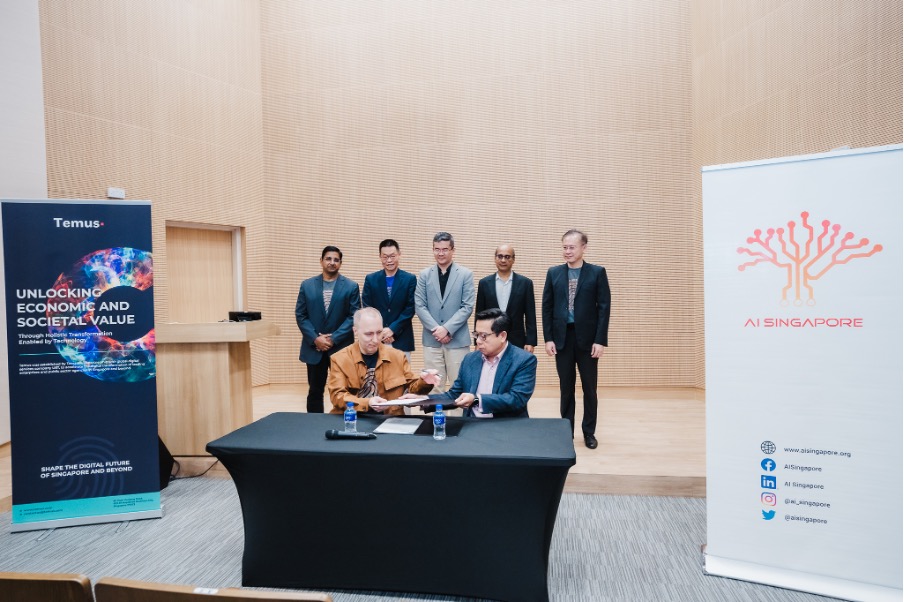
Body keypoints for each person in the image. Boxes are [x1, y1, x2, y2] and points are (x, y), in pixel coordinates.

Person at [542, 229, 611, 449]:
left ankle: (589, 432)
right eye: (564, 247)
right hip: (562, 339)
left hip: (588, 340)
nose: (567, 251)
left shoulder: (597, 273)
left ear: (584, 248)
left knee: (589, 388)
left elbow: (604, 308)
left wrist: (600, 340)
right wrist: (548, 338)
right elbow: (547, 307)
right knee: (566, 388)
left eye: (572, 247)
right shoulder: (554, 273)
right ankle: (566, 431)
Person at [422, 308, 537, 418]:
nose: (478, 341)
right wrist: (422, 400)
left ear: (502, 336)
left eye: (483, 336)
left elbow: (516, 398)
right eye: (476, 335)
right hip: (472, 423)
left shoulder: (524, 360)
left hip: (505, 425)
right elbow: (455, 394)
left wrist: (477, 400)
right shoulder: (470, 359)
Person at [328, 308, 440, 416]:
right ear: (355, 331)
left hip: (390, 418)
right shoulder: (340, 359)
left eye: (379, 332)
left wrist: (425, 382)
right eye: (369, 334)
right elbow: (337, 396)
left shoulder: (397, 356)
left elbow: (412, 390)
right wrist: (367, 403)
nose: (376, 340)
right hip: (352, 419)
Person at [295, 245, 360, 413]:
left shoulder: (351, 286)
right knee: (315, 391)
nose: (332, 262)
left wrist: (333, 338)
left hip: (341, 348)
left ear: (340, 263)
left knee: (345, 390)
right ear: (321, 261)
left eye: (336, 260)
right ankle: (314, 424)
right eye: (328, 259)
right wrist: (315, 338)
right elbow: (301, 315)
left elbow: (353, 316)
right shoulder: (307, 285)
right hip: (314, 348)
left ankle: (345, 422)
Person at [414, 232, 475, 393]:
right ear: (433, 250)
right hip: (432, 340)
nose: (440, 253)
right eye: (437, 249)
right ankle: (436, 412)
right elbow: (419, 305)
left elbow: (467, 306)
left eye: (445, 249)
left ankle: (458, 413)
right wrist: (437, 330)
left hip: (457, 340)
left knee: (459, 387)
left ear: (453, 250)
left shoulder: (465, 274)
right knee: (434, 387)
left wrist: (447, 329)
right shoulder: (424, 275)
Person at [475, 244, 537, 352]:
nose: (503, 260)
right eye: (500, 256)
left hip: (517, 340)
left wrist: (530, 341)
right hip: (490, 338)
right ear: (495, 258)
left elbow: (530, 315)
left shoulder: (525, 283)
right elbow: (479, 315)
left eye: (507, 257)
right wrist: (477, 340)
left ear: (513, 259)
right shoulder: (484, 283)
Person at [361, 239, 417, 359]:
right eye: (385, 257)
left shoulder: (410, 279)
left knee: (402, 371)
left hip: (402, 339)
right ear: (380, 257)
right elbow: (367, 308)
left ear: (399, 254)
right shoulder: (371, 279)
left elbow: (410, 308)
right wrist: (381, 331)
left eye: (392, 256)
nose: (389, 260)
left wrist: (393, 329)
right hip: (376, 340)